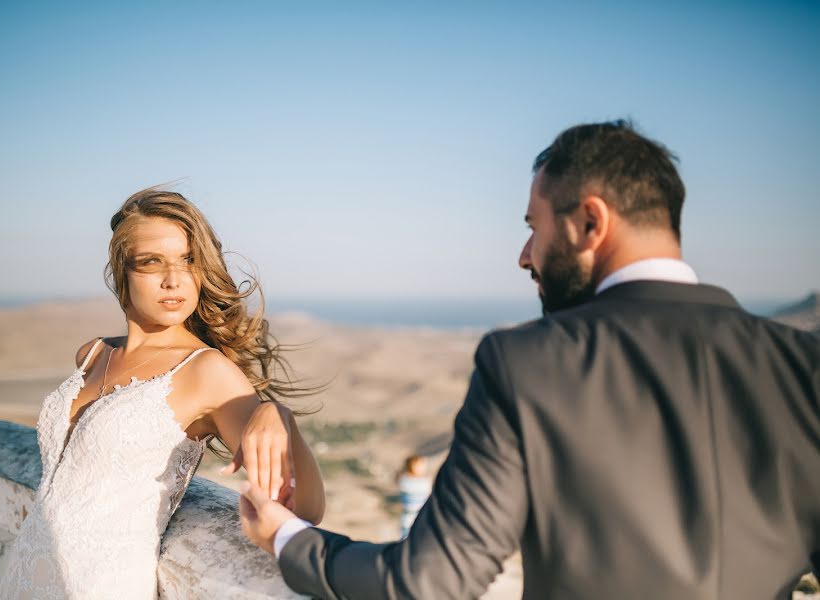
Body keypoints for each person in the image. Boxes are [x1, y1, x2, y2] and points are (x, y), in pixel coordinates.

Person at [238, 120, 820, 599]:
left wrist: (288, 537)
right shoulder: (803, 364)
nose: (524, 256)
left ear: (591, 223)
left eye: (533, 227)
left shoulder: (527, 363)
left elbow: (428, 581)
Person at [0, 188, 325, 599]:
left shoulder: (206, 372)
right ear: (123, 271)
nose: (174, 280)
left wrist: (280, 417)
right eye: (152, 262)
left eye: (188, 261)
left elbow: (303, 510)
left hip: (101, 586)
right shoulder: (92, 353)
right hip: (24, 575)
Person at [396, 455, 433, 538]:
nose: (424, 468)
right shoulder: (411, 482)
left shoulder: (404, 480)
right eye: (421, 466)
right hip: (413, 516)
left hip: (417, 516)